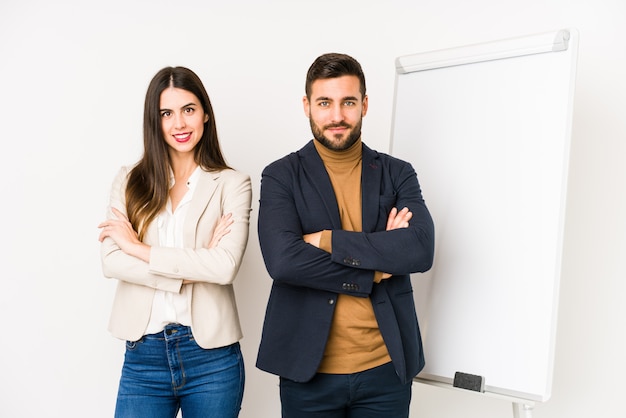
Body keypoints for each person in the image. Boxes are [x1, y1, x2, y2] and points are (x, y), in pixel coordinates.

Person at [255, 53, 435, 417]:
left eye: (348, 102)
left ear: (364, 105)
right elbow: (284, 261)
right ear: (307, 106)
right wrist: (376, 267)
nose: (337, 116)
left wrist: (325, 240)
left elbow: (419, 249)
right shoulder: (280, 176)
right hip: (308, 372)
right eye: (325, 103)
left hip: (386, 369)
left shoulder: (397, 173)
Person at [98, 66, 251, 418]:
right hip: (143, 357)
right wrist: (198, 263)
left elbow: (225, 267)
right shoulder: (128, 181)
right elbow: (111, 261)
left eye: (189, 109)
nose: (179, 124)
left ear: (205, 113)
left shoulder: (232, 184)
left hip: (212, 358)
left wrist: (137, 248)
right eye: (166, 113)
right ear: (154, 121)